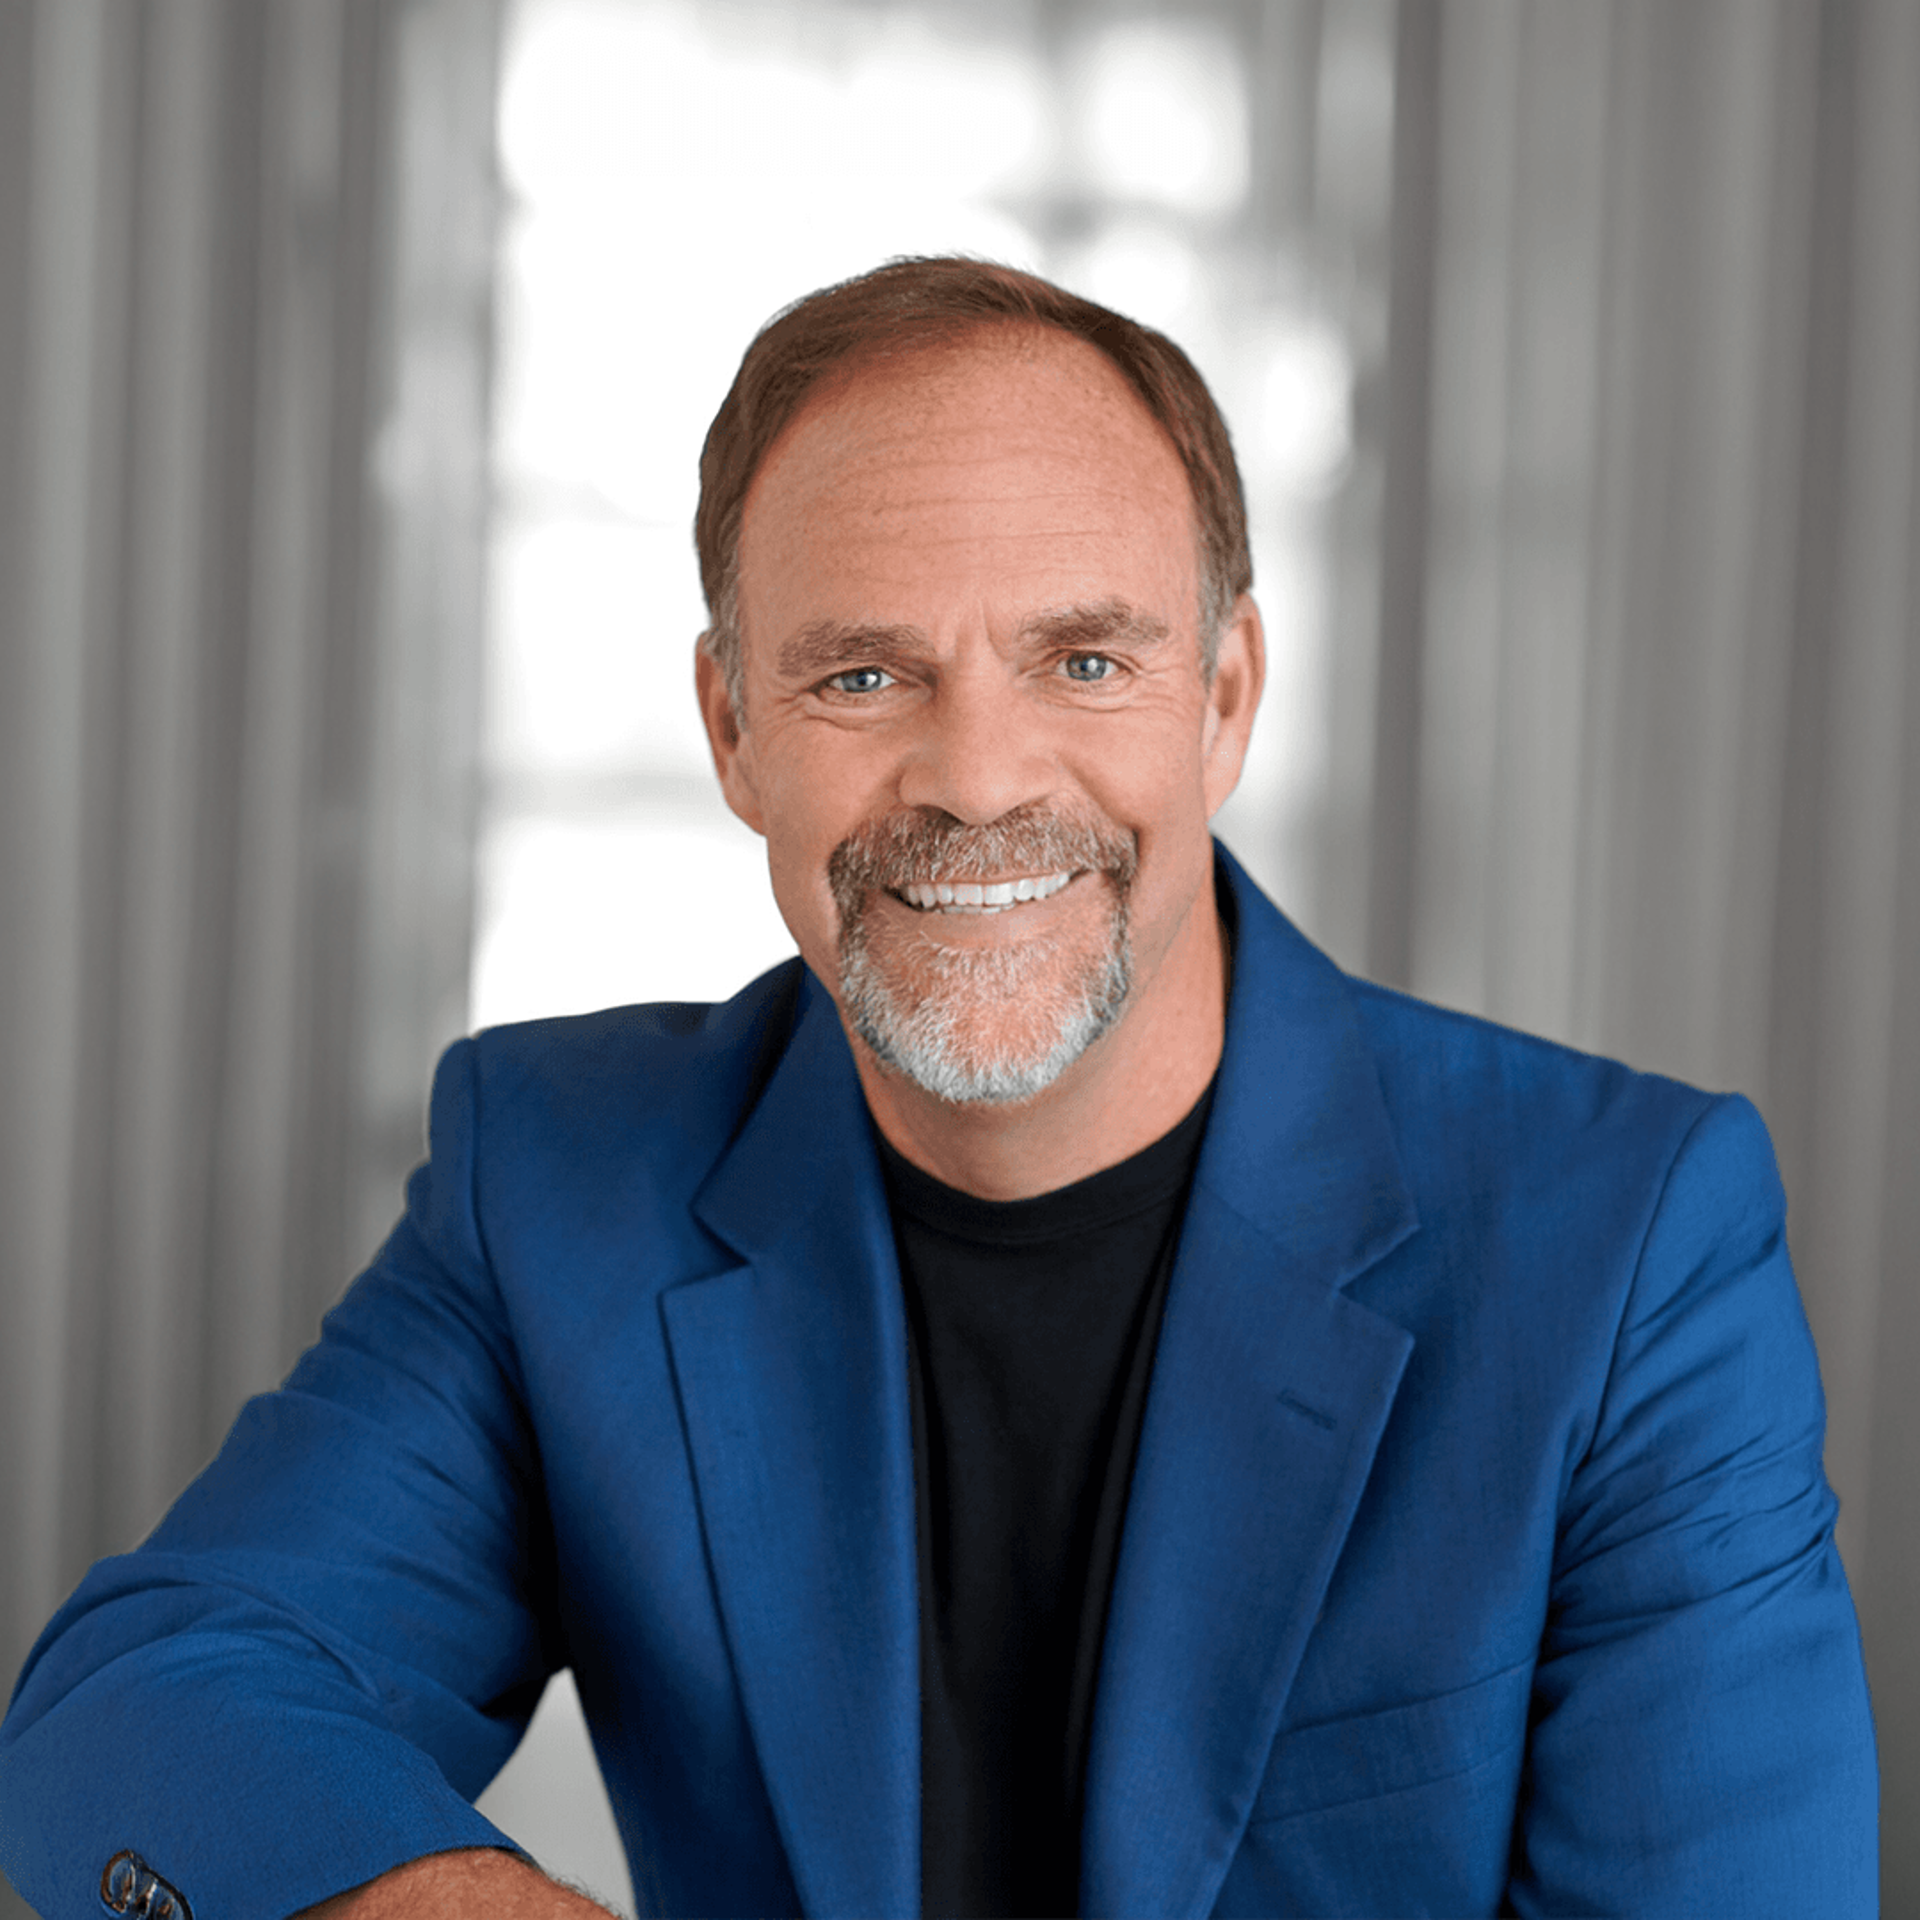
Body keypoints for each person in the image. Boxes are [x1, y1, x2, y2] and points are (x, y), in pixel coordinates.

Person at [0, 258, 1877, 1920]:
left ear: (1225, 698)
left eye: (1085, 658)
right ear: (734, 730)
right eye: (862, 677)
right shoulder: (563, 1180)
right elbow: (140, 1697)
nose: (979, 778)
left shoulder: (1630, 1246)